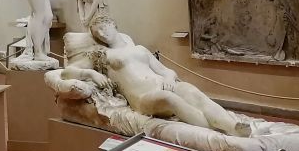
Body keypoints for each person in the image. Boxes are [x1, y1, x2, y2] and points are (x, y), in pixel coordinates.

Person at [67, 14, 249, 137]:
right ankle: (217, 133)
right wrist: (90, 73)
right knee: (170, 99)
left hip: (163, 84)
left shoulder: (139, 49)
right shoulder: (102, 54)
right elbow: (67, 71)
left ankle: (231, 126)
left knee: (192, 92)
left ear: (114, 25)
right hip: (143, 98)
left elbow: (166, 70)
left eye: (103, 28)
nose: (101, 34)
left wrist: (169, 78)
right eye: (97, 33)